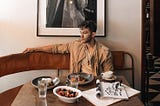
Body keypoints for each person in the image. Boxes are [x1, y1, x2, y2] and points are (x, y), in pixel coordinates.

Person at [23, 20, 113, 76]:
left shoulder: (104, 51)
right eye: (80, 33)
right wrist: (33, 49)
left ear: (93, 34)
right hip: (77, 82)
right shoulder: (75, 45)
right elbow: (55, 48)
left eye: (85, 33)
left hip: (94, 84)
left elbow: (109, 74)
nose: (81, 36)